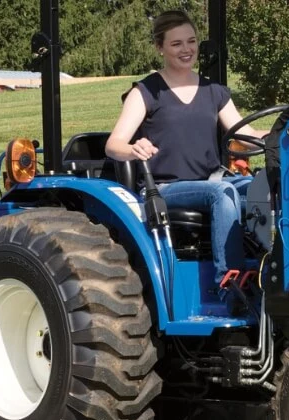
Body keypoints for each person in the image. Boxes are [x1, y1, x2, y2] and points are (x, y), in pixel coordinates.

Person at [105, 10, 266, 283]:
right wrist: (133, 148)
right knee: (223, 192)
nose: (187, 49)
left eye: (191, 42)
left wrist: (285, 131)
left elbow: (247, 133)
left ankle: (274, 273)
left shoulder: (214, 91)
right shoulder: (146, 92)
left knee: (266, 185)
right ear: (160, 47)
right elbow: (113, 144)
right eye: (176, 44)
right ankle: (231, 283)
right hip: (166, 188)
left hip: (211, 181)